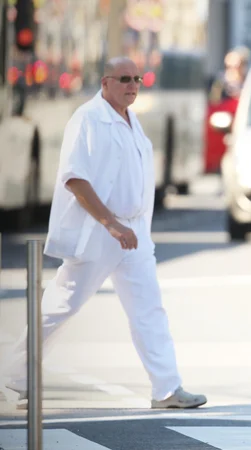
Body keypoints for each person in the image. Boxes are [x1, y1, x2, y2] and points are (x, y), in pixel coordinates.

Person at [1, 57, 206, 409]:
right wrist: (110, 223)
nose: (132, 85)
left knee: (148, 308)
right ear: (105, 82)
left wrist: (132, 225)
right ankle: (11, 377)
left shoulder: (131, 119)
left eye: (137, 79)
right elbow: (75, 178)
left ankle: (167, 389)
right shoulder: (88, 119)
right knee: (61, 306)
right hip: (100, 231)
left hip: (134, 231)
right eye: (124, 78)